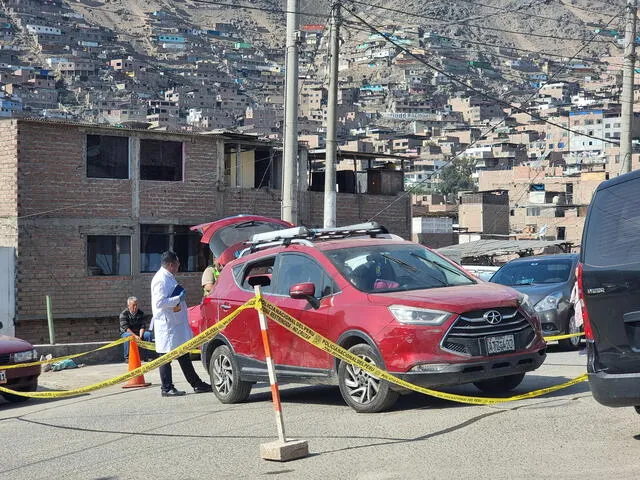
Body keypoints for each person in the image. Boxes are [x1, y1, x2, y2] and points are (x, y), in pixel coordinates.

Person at [151, 251, 212, 397]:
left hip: (175, 324)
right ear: (171, 264)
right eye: (177, 263)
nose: (179, 266)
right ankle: (166, 388)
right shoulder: (160, 279)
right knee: (165, 357)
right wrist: (178, 298)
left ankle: (196, 384)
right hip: (167, 326)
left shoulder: (169, 277)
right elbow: (160, 303)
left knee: (183, 354)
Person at [119, 296, 153, 361]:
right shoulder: (123, 314)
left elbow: (142, 326)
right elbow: (126, 328)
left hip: (138, 333)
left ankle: (148, 356)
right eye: (133, 305)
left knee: (148, 335)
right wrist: (134, 336)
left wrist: (140, 336)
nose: (135, 307)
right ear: (128, 305)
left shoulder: (141, 313)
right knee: (128, 336)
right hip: (127, 333)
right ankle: (127, 358)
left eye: (136, 305)